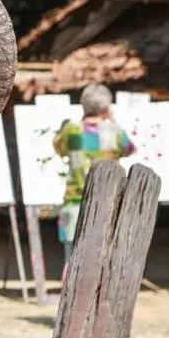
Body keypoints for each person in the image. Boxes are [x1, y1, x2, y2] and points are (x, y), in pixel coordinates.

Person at [52, 84, 136, 280]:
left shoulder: (72, 131)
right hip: (107, 202)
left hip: (74, 201)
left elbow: (58, 147)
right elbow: (130, 148)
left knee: (71, 260)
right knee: (104, 260)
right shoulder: (114, 132)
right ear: (107, 107)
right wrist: (112, 120)